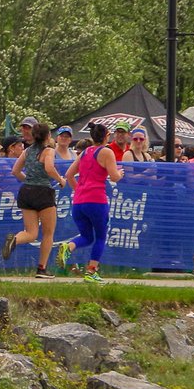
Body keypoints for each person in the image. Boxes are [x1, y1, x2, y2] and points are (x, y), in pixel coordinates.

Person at [2, 120, 67, 277]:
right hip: (44, 192)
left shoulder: (27, 151)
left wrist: (28, 181)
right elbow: (49, 168)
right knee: (48, 233)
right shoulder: (48, 151)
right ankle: (41, 268)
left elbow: (15, 171)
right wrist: (60, 180)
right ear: (47, 136)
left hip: (26, 192)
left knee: (31, 232)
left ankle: (15, 240)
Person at [64, 121, 118, 283]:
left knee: (87, 237)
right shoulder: (106, 152)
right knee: (100, 236)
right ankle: (91, 271)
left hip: (79, 202)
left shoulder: (85, 152)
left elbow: (69, 175)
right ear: (107, 136)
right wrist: (120, 174)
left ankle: (69, 247)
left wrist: (78, 190)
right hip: (96, 200)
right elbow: (114, 177)